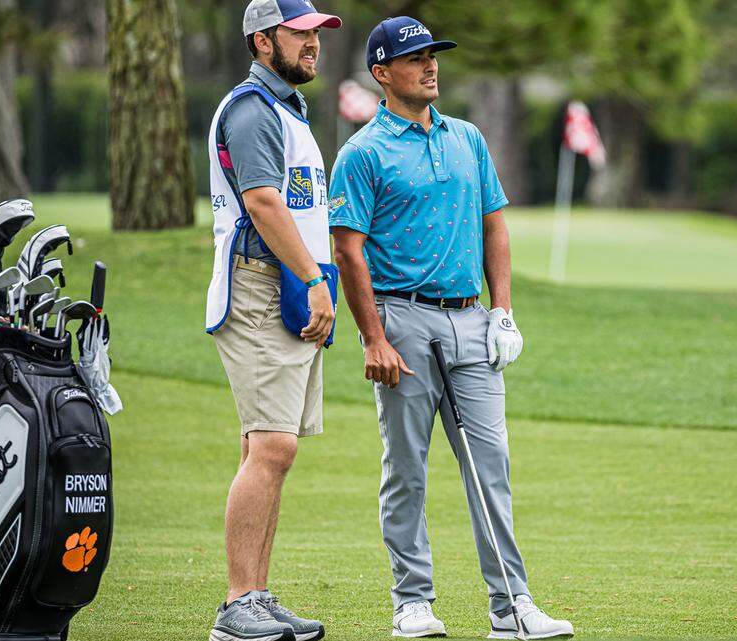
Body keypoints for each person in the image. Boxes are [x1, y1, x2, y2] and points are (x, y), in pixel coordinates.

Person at [328, 16, 574, 640]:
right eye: (416, 59)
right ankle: (412, 602)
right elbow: (347, 250)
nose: (431, 65)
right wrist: (373, 337)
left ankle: (510, 608)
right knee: (406, 468)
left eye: (433, 55)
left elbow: (495, 226)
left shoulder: (467, 138)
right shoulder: (362, 153)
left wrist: (505, 309)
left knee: (490, 466)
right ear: (382, 73)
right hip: (401, 320)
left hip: (472, 320)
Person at [204, 1, 340, 640]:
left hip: (283, 290)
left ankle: (256, 595)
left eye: (317, 35)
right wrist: (314, 280)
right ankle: (238, 607)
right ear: (263, 41)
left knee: (270, 447)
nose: (313, 45)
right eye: (300, 34)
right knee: (273, 445)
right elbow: (262, 203)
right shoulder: (254, 110)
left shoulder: (287, 108)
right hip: (261, 288)